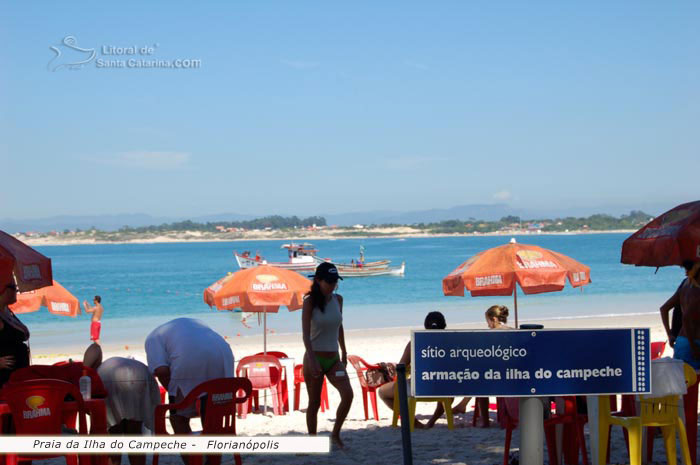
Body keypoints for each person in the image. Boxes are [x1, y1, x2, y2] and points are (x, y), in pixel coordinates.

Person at [145, 318, 234, 441]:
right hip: (223, 353)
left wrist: (177, 398)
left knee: (178, 417)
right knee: (210, 412)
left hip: (189, 360)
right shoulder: (196, 324)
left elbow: (161, 371)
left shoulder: (152, 338)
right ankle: (211, 458)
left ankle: (192, 458)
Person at [302, 262, 353, 449]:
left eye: (335, 282)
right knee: (314, 403)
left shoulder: (338, 300)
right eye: (329, 282)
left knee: (348, 395)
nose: (332, 285)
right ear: (318, 280)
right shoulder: (309, 302)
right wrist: (313, 360)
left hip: (334, 359)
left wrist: (344, 352)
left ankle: (335, 434)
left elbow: (339, 327)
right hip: (313, 357)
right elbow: (305, 335)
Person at [83, 343, 160, 465]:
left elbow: (95, 347)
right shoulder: (95, 369)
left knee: (114, 433)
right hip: (141, 372)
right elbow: (95, 347)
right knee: (134, 432)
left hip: (112, 375)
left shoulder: (88, 375)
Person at [377, 311, 449, 429]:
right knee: (449, 387)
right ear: (444, 326)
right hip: (444, 388)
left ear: (426, 326)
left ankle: (414, 422)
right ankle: (431, 422)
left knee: (382, 392)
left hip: (420, 387)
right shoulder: (451, 343)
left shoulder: (415, 342)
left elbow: (401, 367)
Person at [452, 305, 513, 423]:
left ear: (494, 319)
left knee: (480, 381)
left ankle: (484, 420)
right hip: (512, 372)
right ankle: (462, 405)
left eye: (488, 322)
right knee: (480, 377)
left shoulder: (491, 335)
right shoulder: (511, 330)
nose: (488, 325)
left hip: (499, 376)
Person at [661, 261, 700, 368]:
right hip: (695, 343)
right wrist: (693, 346)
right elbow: (686, 318)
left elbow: (664, 309)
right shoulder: (697, 292)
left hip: (681, 341)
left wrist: (670, 334)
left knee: (684, 382)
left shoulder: (685, 285)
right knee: (691, 381)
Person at [0, 282, 30, 389]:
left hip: (17, 375)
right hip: (5, 379)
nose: (17, 291)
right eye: (13, 287)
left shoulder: (7, 312)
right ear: (2, 290)